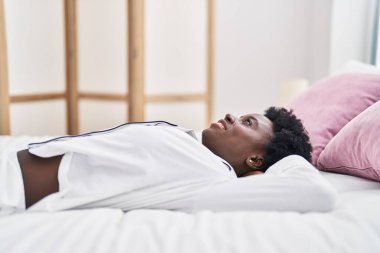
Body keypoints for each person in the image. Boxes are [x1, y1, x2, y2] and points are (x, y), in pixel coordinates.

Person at [2, 107, 336, 214]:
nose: (233, 114)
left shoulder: (210, 177)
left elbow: (317, 193)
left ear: (253, 158)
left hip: (8, 190)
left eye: (249, 123)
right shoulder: (193, 147)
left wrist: (270, 169)